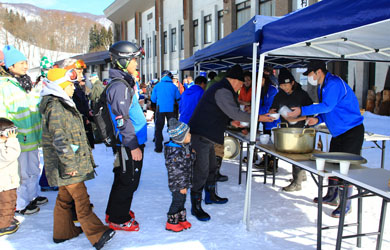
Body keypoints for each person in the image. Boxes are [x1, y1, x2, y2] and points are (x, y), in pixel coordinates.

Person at [39, 68, 114, 248]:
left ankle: (63, 232)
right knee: (81, 199)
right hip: (66, 164)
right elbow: (59, 139)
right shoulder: (56, 107)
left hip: (67, 162)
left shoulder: (62, 103)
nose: (74, 88)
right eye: (70, 85)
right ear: (60, 86)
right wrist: (69, 164)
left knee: (65, 199)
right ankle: (97, 233)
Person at [188, 64, 275, 221]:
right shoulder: (222, 90)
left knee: (212, 167)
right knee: (201, 170)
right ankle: (196, 206)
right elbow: (235, 112)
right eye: (241, 84)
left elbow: (222, 112)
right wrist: (259, 117)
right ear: (235, 80)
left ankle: (211, 195)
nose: (241, 87)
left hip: (210, 134)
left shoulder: (222, 89)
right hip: (201, 134)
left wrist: (230, 122)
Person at [288, 60, 364, 217]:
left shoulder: (333, 83)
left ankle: (346, 204)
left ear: (318, 72)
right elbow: (329, 109)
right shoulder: (324, 85)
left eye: (309, 73)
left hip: (351, 131)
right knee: (333, 166)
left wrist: (302, 110)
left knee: (345, 169)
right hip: (338, 133)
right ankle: (331, 195)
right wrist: (319, 119)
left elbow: (328, 106)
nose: (309, 77)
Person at [104, 41, 147, 232]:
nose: (136, 63)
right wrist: (133, 145)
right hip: (129, 143)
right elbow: (122, 119)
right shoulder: (119, 86)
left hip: (131, 141)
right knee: (128, 180)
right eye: (133, 59)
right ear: (123, 60)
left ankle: (114, 212)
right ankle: (118, 219)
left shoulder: (124, 83)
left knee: (122, 177)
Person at [0, 45, 47, 215]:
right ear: (10, 66)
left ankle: (32, 195)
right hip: (17, 137)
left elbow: (32, 105)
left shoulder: (25, 82)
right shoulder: (4, 86)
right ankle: (20, 203)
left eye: (26, 62)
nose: (25, 66)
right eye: (21, 63)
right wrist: (5, 135)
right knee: (21, 171)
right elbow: (2, 112)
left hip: (32, 135)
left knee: (34, 167)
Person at [270, 68, 313, 192]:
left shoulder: (302, 95)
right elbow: (273, 109)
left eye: (286, 85)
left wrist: (299, 117)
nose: (284, 88)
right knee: (293, 155)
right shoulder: (279, 95)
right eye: (282, 85)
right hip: (287, 129)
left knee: (297, 154)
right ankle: (301, 175)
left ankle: (297, 182)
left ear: (292, 83)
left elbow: (312, 112)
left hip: (301, 128)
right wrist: (274, 111)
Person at [164, 118, 195, 232]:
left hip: (183, 181)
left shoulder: (182, 147)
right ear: (180, 138)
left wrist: (192, 154)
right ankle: (171, 221)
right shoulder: (174, 154)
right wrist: (182, 186)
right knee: (177, 200)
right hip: (178, 183)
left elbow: (187, 162)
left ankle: (181, 218)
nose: (190, 136)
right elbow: (176, 172)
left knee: (182, 199)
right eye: (188, 134)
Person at [151, 70, 181, 152]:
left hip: (160, 108)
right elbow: (178, 98)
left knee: (158, 128)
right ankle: (172, 146)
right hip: (171, 109)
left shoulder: (157, 86)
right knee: (172, 127)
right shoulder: (173, 86)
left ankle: (158, 147)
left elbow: (153, 99)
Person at [0, 118, 21, 236]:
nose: (12, 136)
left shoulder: (2, 144)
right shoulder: (2, 146)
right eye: (9, 133)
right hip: (5, 184)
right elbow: (11, 155)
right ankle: (4, 224)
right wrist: (12, 141)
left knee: (6, 203)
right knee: (7, 203)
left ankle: (7, 218)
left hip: (6, 182)